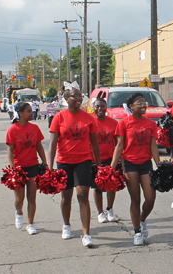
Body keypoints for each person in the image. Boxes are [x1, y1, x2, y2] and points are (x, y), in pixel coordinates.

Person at [48, 87, 101, 247]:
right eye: (75, 96)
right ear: (66, 98)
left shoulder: (88, 118)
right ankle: (66, 225)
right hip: (64, 161)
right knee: (66, 196)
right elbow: (52, 144)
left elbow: (94, 143)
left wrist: (98, 165)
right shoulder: (59, 117)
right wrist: (50, 167)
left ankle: (86, 234)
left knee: (83, 194)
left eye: (80, 96)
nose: (79, 98)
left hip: (83, 160)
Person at [111, 93, 160, 246]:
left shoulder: (151, 124)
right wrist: (111, 169)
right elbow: (119, 146)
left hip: (145, 163)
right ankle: (137, 231)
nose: (143, 105)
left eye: (144, 103)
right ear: (131, 107)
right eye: (139, 103)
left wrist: (160, 166)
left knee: (151, 198)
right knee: (136, 199)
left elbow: (153, 146)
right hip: (129, 163)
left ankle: (142, 219)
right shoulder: (124, 123)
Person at [6, 102, 47, 235]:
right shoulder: (13, 130)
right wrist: (12, 168)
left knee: (32, 197)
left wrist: (44, 162)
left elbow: (39, 146)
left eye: (31, 111)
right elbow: (10, 150)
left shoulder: (34, 128)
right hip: (19, 168)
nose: (31, 113)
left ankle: (30, 223)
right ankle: (19, 212)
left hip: (33, 166)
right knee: (19, 198)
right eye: (29, 111)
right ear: (21, 113)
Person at [92, 98, 120, 223]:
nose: (100, 109)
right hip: (94, 159)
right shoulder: (90, 121)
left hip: (110, 158)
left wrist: (118, 158)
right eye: (97, 106)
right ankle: (100, 212)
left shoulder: (113, 123)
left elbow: (118, 143)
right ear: (94, 107)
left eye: (102, 106)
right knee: (97, 187)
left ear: (106, 107)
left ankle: (110, 209)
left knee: (111, 186)